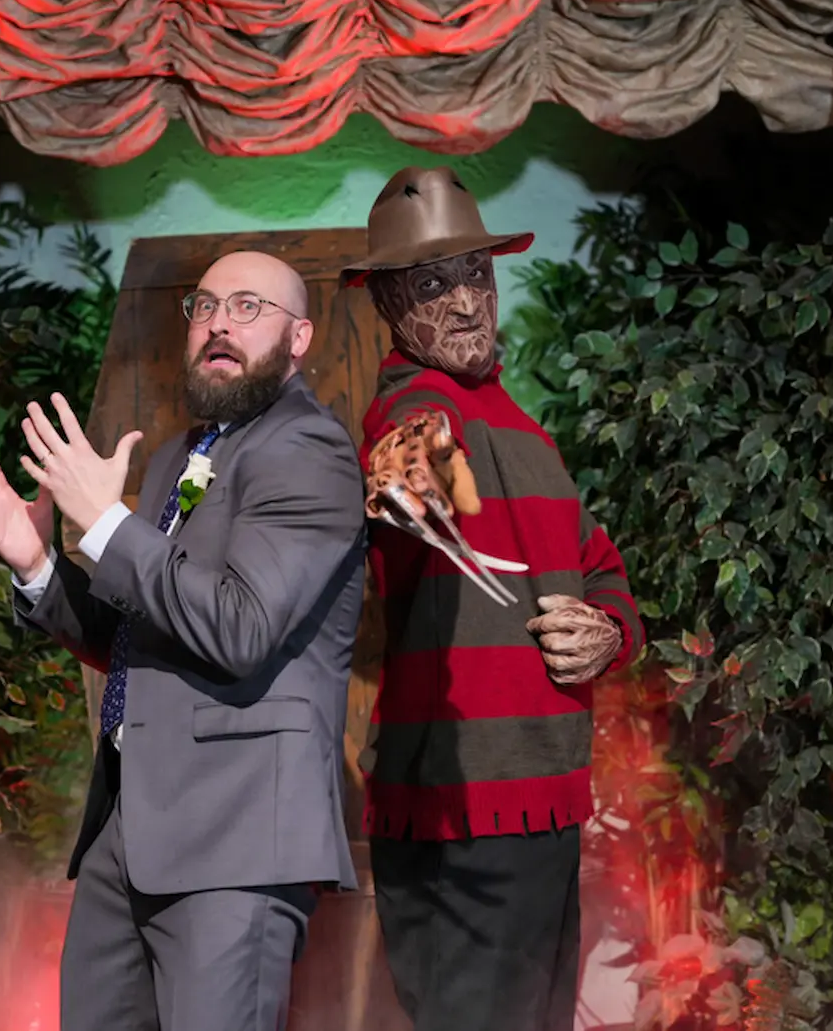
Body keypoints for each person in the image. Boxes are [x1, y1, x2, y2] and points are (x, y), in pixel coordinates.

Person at [0, 250, 366, 1031]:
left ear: (300, 338)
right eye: (205, 307)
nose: (218, 323)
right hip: (130, 833)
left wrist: (107, 522)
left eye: (248, 307)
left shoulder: (309, 451)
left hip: (235, 842)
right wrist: (40, 563)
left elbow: (239, 625)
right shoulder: (181, 460)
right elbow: (142, 636)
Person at [342, 167, 646, 1030]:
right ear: (389, 303)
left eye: (477, 272)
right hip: (458, 800)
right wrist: (415, 475)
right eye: (435, 282)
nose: (468, 300)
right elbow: (406, 463)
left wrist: (610, 632)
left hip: (544, 797)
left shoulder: (529, 432)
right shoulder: (411, 407)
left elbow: (605, 573)